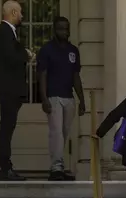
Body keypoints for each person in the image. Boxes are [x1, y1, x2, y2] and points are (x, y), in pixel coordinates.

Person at [37, 16, 86, 181]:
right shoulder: (46, 50)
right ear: (54, 29)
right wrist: (44, 98)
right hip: (53, 96)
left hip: (69, 97)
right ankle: (56, 168)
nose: (64, 31)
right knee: (56, 132)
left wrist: (82, 100)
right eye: (60, 28)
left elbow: (76, 77)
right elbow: (42, 75)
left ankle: (58, 165)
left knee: (64, 133)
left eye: (66, 28)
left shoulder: (73, 51)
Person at [0, 0, 34, 181]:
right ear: (13, 13)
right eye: (21, 13)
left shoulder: (8, 33)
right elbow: (9, 57)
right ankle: (5, 168)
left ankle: (6, 167)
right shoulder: (3, 32)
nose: (22, 16)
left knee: (8, 127)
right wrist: (27, 55)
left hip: (10, 87)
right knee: (6, 128)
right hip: (8, 88)